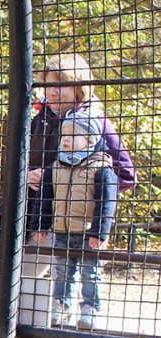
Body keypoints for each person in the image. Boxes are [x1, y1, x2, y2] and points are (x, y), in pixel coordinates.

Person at [23, 53, 136, 277]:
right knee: (22, 284)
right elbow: (20, 163)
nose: (52, 91)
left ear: (78, 86)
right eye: (48, 84)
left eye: (61, 84)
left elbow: (125, 175)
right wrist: (27, 175)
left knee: (70, 289)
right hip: (36, 219)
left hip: (81, 229)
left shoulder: (97, 121)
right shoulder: (37, 119)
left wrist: (75, 187)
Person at [30, 111, 117, 330]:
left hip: (88, 234)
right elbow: (44, 199)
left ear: (90, 140)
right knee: (61, 273)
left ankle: (90, 309)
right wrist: (39, 225)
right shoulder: (55, 167)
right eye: (64, 134)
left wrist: (100, 232)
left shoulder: (101, 168)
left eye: (73, 134)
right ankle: (61, 307)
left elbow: (106, 203)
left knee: (91, 273)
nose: (66, 139)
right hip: (61, 231)